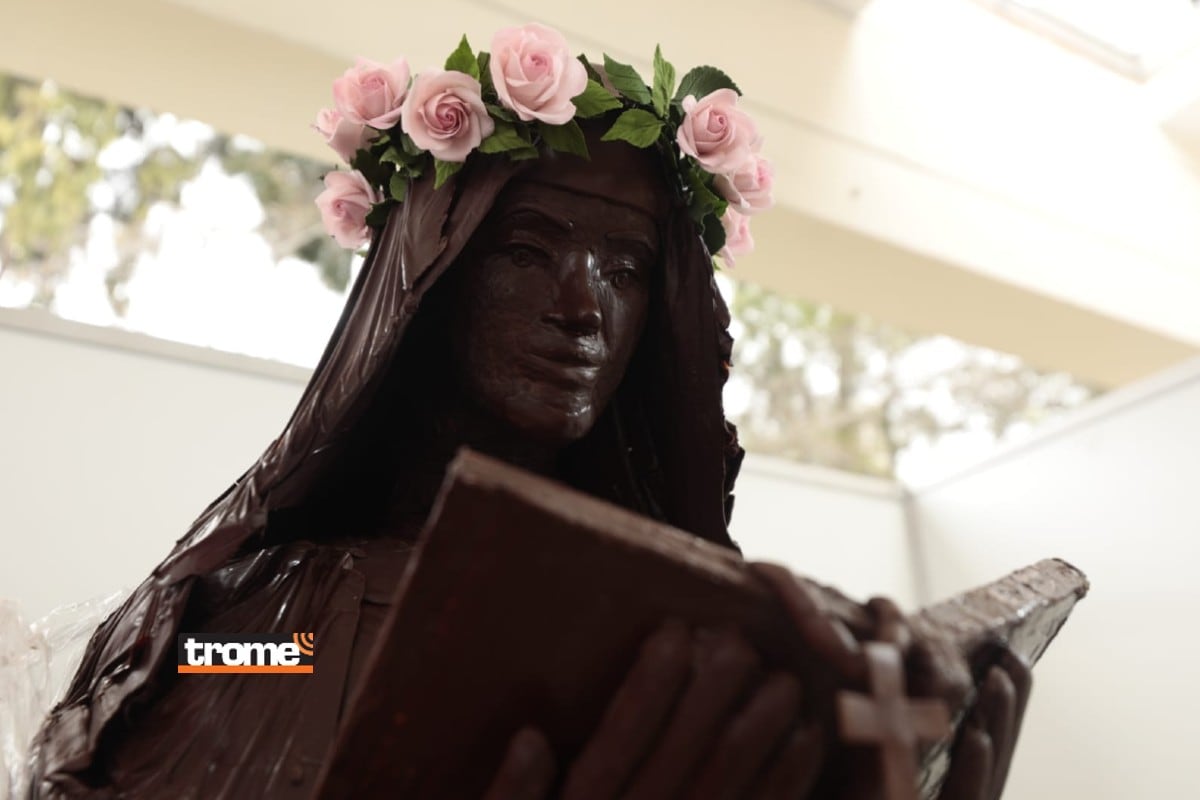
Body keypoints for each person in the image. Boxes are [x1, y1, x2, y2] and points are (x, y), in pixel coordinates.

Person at [28, 28, 1028, 799]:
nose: (586, 303)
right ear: (427, 280)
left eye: (627, 267)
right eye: (524, 250)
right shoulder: (251, 622)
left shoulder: (694, 649)